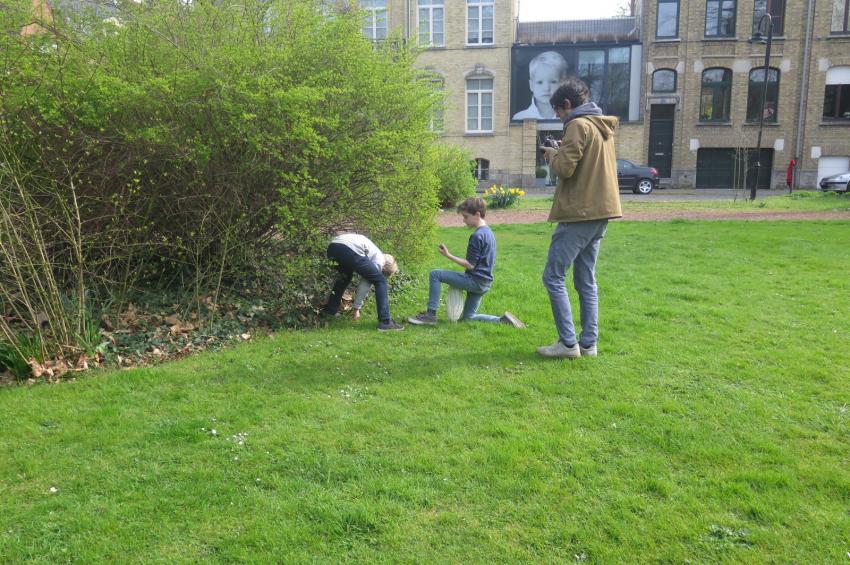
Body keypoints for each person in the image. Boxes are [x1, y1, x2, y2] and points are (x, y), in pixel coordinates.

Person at [537, 78, 622, 359]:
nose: (558, 118)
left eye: (558, 112)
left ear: (567, 105)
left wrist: (553, 155)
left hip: (580, 212)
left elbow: (565, 169)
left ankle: (568, 344)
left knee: (553, 276)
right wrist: (564, 150)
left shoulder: (577, 125)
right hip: (602, 212)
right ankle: (588, 344)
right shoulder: (601, 126)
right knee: (585, 279)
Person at [407, 197, 525, 328]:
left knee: (435, 274)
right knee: (469, 318)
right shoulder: (489, 233)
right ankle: (502, 320)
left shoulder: (477, 236)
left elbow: (470, 265)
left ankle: (430, 315)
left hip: (475, 282)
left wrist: (448, 255)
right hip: (485, 283)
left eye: (466, 216)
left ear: (477, 214)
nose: (464, 220)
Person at [323, 233, 404, 331]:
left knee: (344, 277)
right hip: (348, 248)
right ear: (383, 269)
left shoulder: (374, 251)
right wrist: (356, 308)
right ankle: (385, 322)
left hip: (333, 247)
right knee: (380, 281)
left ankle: (330, 310)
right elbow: (364, 285)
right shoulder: (380, 260)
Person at [512, 51, 568, 121]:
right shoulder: (519, 118)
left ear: (561, 84)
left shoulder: (569, 117)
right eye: (540, 82)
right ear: (531, 85)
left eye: (553, 82)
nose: (546, 88)